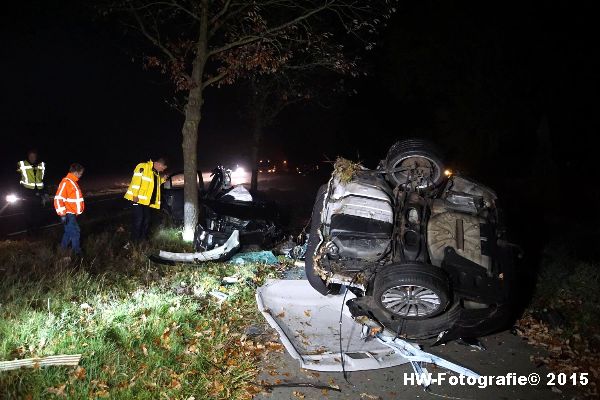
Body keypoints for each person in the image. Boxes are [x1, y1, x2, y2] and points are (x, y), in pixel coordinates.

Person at [124, 157, 168, 241]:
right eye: (163, 168)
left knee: (147, 219)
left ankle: (143, 239)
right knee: (139, 219)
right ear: (159, 164)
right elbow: (136, 181)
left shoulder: (156, 173)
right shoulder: (143, 166)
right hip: (136, 199)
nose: (162, 170)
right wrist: (135, 195)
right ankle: (134, 241)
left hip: (145, 201)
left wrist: (163, 180)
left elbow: (155, 184)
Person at [54, 163, 85, 255]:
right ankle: (77, 253)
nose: (81, 175)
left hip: (72, 214)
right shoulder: (66, 182)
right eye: (80, 173)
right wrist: (62, 214)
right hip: (68, 214)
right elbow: (58, 199)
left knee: (68, 233)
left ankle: (62, 250)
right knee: (75, 233)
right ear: (75, 172)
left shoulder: (73, 182)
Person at [17, 149, 47, 232]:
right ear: (28, 156)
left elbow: (44, 179)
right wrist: (19, 192)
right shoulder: (22, 164)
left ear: (36, 157)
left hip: (38, 195)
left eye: (34, 156)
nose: (32, 158)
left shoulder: (41, 165)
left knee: (38, 215)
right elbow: (15, 177)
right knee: (28, 215)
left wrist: (44, 193)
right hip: (26, 195)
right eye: (31, 156)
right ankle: (30, 232)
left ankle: (37, 232)